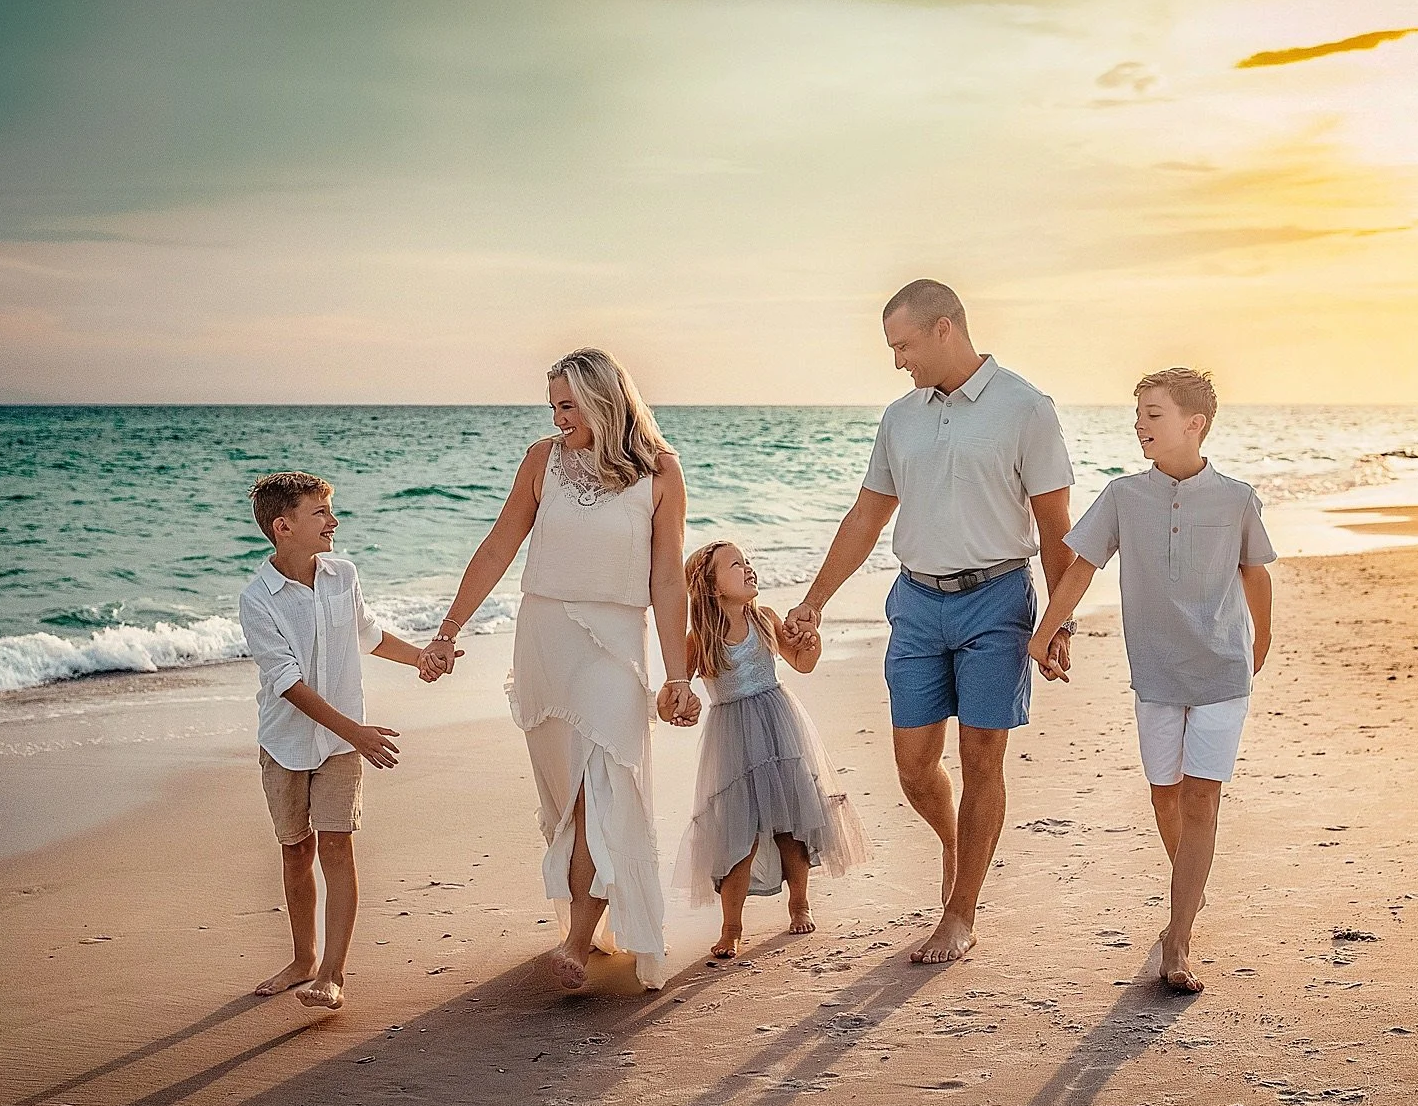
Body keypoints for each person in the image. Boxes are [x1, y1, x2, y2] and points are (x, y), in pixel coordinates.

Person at [787, 279, 1077, 965]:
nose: (897, 361)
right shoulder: (900, 418)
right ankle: (955, 846)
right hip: (916, 602)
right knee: (914, 767)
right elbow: (866, 514)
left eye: (903, 345)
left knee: (981, 758)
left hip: (997, 599)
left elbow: (1054, 524)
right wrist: (813, 600)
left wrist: (1059, 623)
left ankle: (959, 911)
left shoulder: (1025, 409)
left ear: (943, 329)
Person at [420, 349, 697, 992]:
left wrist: (676, 674)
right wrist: (447, 631)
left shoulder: (660, 471)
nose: (557, 417)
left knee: (601, 785)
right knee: (561, 796)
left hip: (614, 647)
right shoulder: (542, 461)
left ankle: (574, 942)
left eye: (567, 405)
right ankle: (592, 919)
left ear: (606, 401)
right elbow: (498, 545)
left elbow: (666, 576)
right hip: (544, 640)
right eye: (552, 405)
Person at [1028, 368, 1276, 994]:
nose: (1140, 423)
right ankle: (1187, 898)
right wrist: (1046, 628)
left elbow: (1256, 573)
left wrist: (1261, 641)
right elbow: (1080, 568)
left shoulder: (1236, 497)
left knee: (1201, 797)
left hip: (1222, 670)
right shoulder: (1121, 497)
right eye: (1138, 413)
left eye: (1154, 414)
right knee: (1165, 794)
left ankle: (1180, 938)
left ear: (1195, 424)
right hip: (1155, 673)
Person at [237, 471, 450, 1012]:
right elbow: (286, 683)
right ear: (284, 527)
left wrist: (420, 656)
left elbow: (369, 634)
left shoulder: (342, 575)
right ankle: (302, 958)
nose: (334, 522)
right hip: (285, 742)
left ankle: (332, 973)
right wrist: (356, 731)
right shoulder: (257, 599)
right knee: (295, 851)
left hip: (339, 745)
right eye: (321, 514)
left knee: (336, 844)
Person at [674, 541, 869, 960]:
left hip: (779, 727)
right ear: (712, 587)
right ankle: (732, 927)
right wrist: (680, 704)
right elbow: (679, 686)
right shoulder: (700, 639)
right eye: (736, 565)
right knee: (737, 836)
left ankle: (799, 902)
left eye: (747, 561)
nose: (748, 568)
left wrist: (811, 644)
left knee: (790, 824)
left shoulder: (764, 619)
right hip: (732, 738)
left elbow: (802, 663)